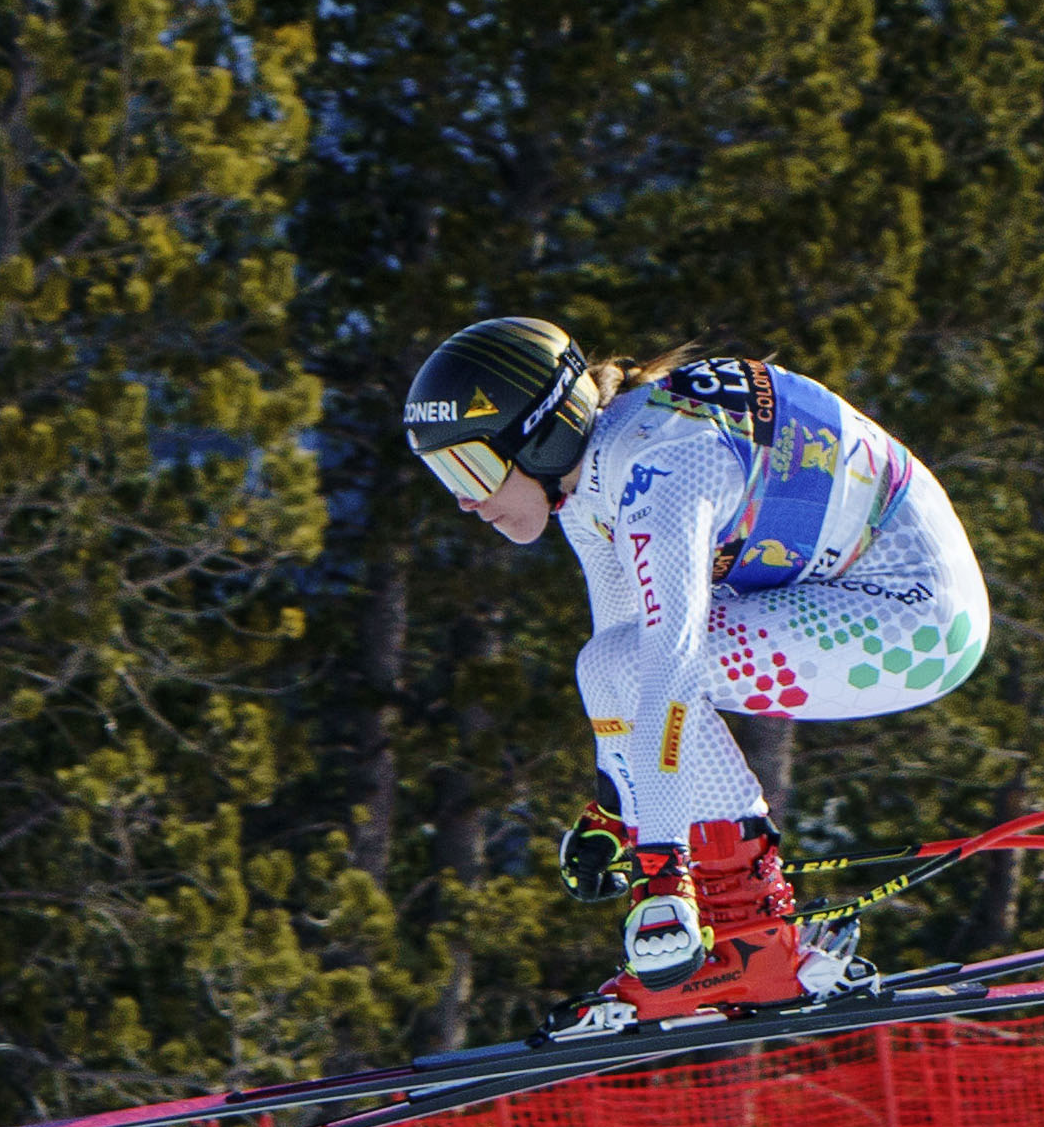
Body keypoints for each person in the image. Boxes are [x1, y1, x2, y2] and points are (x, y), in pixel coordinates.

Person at [402, 315, 994, 1028]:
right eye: (445, 474)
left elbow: (670, 665)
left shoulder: (663, 467)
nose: (465, 499)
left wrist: (661, 867)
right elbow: (617, 659)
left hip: (918, 622)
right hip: (865, 596)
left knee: (643, 661)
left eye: (471, 468)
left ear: (542, 436)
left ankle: (755, 938)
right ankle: (746, 931)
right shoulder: (592, 479)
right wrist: (617, 807)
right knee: (609, 659)